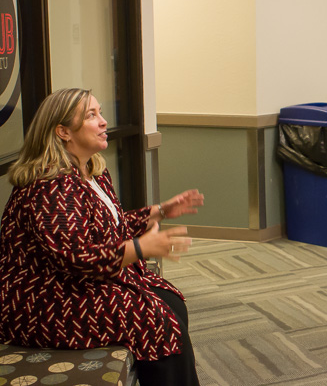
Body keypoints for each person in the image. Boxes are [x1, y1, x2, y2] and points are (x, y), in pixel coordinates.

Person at [0, 88, 205, 386]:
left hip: (76, 284)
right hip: (43, 300)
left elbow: (111, 226)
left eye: (100, 112)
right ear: (63, 132)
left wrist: (159, 212)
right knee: (154, 320)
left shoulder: (92, 171)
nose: (104, 122)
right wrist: (141, 247)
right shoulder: (50, 185)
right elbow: (76, 257)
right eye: (91, 116)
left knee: (169, 300)